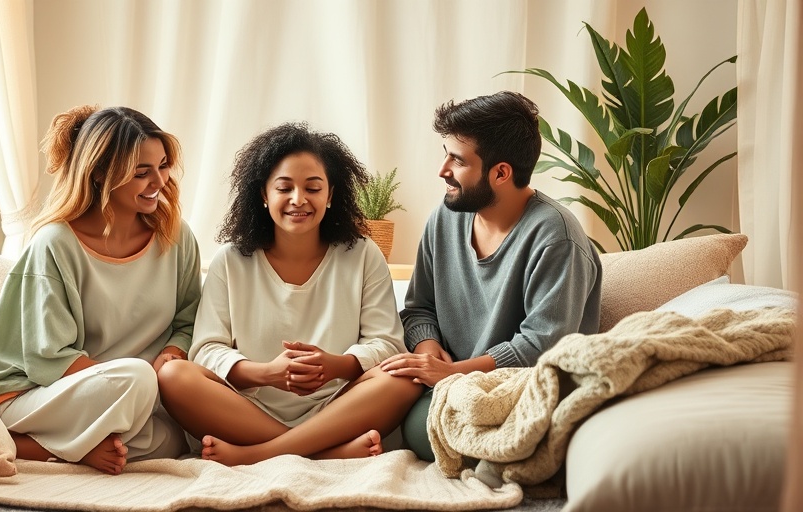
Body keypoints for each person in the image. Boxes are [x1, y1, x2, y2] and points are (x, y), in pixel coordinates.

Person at [157, 122, 422, 466]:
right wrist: (267, 373)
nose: (299, 199)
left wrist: (337, 366)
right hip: (247, 408)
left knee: (403, 376)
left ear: (330, 196)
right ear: (264, 195)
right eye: (285, 188)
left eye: (313, 188)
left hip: (340, 405)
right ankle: (326, 452)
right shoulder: (231, 260)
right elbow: (206, 350)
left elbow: (386, 342)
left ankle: (262, 454)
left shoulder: (362, 254)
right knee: (174, 376)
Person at [0, 105, 201, 475]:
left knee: (173, 439)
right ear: (99, 175)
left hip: (115, 394)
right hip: (32, 392)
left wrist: (173, 354)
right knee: (140, 381)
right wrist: (141, 388)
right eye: (142, 172)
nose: (159, 181)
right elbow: (49, 357)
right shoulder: (55, 244)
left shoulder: (175, 236)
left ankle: (86, 441)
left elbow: (190, 316)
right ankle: (29, 444)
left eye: (162, 166)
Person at [380, 91, 603, 462]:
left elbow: (541, 346)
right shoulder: (445, 217)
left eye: (457, 160)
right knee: (382, 389)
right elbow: (419, 307)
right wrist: (427, 348)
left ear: (501, 172)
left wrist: (451, 372)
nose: (442, 170)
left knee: (420, 429)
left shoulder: (557, 237)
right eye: (445, 154)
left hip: (517, 389)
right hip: (448, 378)